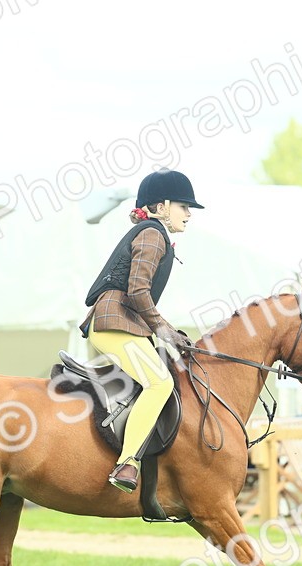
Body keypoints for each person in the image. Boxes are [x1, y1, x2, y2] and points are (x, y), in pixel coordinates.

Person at [79, 169, 203, 493]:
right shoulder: (152, 234)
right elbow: (137, 291)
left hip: (125, 322)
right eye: (183, 206)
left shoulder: (155, 233)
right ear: (161, 206)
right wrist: (162, 327)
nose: (189, 214)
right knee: (159, 383)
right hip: (114, 322)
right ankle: (128, 462)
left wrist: (169, 330)